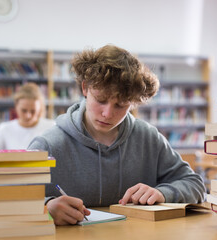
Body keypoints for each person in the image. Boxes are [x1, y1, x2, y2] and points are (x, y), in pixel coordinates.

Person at [28, 45, 206, 226]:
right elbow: (6, 202)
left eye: (121, 105)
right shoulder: (48, 145)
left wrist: (163, 193)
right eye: (100, 100)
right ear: (85, 88)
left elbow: (195, 185)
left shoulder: (149, 138)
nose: (107, 113)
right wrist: (46, 207)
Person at [0, 82, 55, 149]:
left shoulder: (51, 127)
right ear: (16, 106)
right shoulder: (4, 129)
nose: (28, 116)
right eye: (24, 110)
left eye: (33, 111)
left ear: (40, 108)